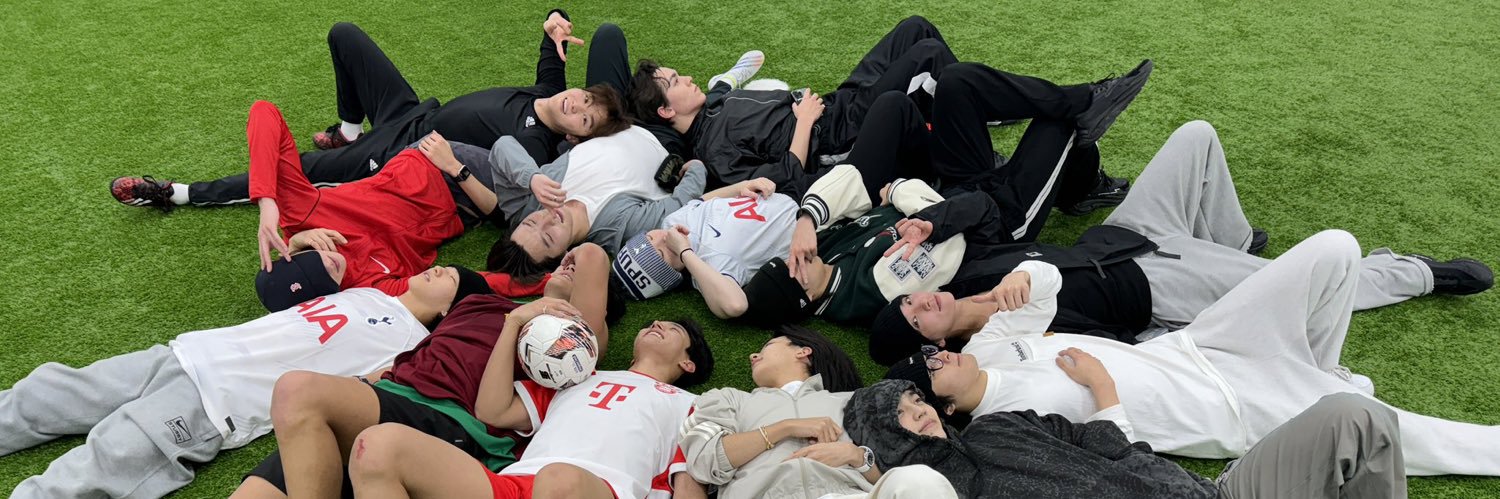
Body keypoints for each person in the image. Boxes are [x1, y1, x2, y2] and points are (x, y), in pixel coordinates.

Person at [866, 120, 1493, 364]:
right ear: (935, 343)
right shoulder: (1006, 347)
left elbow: (983, 211)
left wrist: (935, 221)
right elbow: (1116, 351)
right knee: (1315, 279)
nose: (922, 301)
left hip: (1128, 232)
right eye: (917, 316)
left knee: (1196, 136)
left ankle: (1235, 244)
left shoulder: (966, 272)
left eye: (910, 300)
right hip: (1161, 286)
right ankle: (1415, 274)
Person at [895, 230, 1500, 476]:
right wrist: (1104, 390)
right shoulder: (1004, 426)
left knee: (1336, 249)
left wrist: (1026, 276)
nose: (940, 358)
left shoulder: (989, 344)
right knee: (1408, 433)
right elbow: (1110, 465)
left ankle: (1320, 370)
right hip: (1231, 408)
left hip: (1202, 343)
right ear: (942, 409)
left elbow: (1047, 288)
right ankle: (1323, 388)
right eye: (931, 371)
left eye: (931, 353)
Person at [0, 262, 494, 498]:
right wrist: (303, 246)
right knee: (48, 391)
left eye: (449, 277)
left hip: (217, 402)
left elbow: (363, 394)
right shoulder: (371, 292)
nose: (438, 269)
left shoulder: (412, 346)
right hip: (187, 353)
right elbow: (286, 281)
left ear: (450, 311)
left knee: (99, 463)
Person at [111, 11, 631, 211]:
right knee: (346, 36)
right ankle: (347, 129)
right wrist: (554, 21)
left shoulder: (534, 146)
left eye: (583, 117)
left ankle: (177, 193)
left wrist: (452, 167)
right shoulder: (550, 90)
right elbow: (551, 39)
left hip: (402, 151)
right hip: (409, 111)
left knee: (297, 171)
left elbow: (501, 203)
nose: (576, 104)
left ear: (575, 138)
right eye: (585, 98)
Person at [230, 244, 631, 498]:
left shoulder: (568, 338)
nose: (567, 269)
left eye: (576, 277)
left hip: (448, 419)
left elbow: (593, 257)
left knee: (297, 390)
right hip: (390, 396)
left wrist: (580, 257)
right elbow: (415, 356)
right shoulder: (478, 303)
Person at [630, 16, 1137, 214]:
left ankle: (972, 113)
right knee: (928, 57)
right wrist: (803, 121)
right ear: (666, 109)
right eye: (675, 82)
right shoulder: (712, 148)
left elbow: (734, 81)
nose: (687, 78)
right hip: (839, 136)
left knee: (916, 28)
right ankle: (1055, 104)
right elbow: (782, 181)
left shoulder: (717, 101)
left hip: (836, 103)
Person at [335, 291, 716, 498]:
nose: (657, 323)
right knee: (378, 444)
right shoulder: (579, 376)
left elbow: (689, 481)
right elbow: (493, 411)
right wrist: (513, 323)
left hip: (600, 490)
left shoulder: (693, 405)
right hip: (517, 484)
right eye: (655, 321)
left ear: (688, 363)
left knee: (560, 480)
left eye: (673, 329)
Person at [847, 375, 1406, 498]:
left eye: (916, 400)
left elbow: (1093, 436)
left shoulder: (997, 424)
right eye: (901, 415)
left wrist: (1153, 468)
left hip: (1213, 494)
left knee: (1353, 416)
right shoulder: (935, 492)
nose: (919, 412)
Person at [242, 100, 548, 308]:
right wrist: (546, 283)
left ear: (294, 254)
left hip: (439, 165)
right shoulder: (369, 292)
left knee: (547, 179)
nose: (329, 264)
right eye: (323, 281)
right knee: (545, 220)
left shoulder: (299, 212)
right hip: (466, 210)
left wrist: (267, 203)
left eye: (312, 263)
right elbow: (462, 282)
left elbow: (263, 111)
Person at [677, 325, 954, 499]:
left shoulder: (854, 401)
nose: (752, 356)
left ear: (803, 352)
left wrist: (857, 456)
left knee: (921, 481)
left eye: (767, 347)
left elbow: (901, 460)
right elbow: (703, 461)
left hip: (848, 494)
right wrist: (785, 428)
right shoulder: (728, 399)